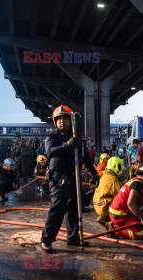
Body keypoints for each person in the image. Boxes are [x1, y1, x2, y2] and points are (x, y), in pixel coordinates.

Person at [40, 105, 98, 253]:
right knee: (58, 208)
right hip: (59, 178)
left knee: (74, 209)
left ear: (70, 121)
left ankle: (73, 238)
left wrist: (95, 174)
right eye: (59, 119)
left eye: (65, 119)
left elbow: (86, 159)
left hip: (75, 177)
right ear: (55, 122)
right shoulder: (52, 137)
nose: (62, 122)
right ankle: (46, 240)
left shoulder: (78, 139)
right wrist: (66, 145)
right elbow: (50, 152)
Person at [93, 157, 124, 229]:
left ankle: (104, 218)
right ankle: (113, 224)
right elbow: (121, 193)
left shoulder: (105, 175)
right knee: (123, 201)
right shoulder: (113, 180)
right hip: (103, 206)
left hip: (98, 204)